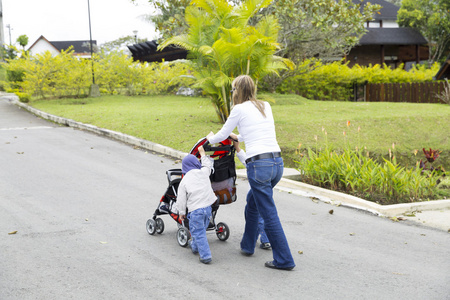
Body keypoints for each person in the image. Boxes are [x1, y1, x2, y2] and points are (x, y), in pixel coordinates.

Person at [207, 75, 295, 270]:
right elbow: (247, 134)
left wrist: (210, 140)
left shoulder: (238, 109)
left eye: (233, 90)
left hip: (259, 167)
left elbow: (221, 135)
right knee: (252, 203)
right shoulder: (265, 106)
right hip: (276, 163)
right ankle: (247, 246)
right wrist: (236, 138)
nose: (232, 93)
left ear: (237, 90)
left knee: (269, 214)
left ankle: (284, 259)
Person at [177, 146, 217, 264]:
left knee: (198, 232)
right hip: (208, 209)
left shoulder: (184, 181)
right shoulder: (203, 172)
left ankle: (205, 256)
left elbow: (181, 199)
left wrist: (181, 213)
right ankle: (194, 246)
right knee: (200, 229)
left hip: (196, 211)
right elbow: (207, 165)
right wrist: (202, 154)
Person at [233, 140, 271, 250]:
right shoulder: (267, 164)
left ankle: (263, 240)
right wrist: (238, 148)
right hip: (265, 194)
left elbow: (245, 159)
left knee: (256, 217)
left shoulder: (254, 164)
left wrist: (238, 148)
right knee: (262, 216)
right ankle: (264, 239)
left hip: (255, 195)